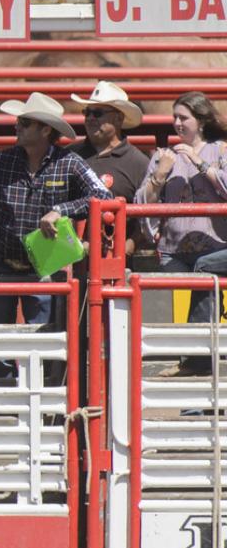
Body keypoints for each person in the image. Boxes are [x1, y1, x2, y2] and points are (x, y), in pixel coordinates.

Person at [0, 93, 111, 378]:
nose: (17, 127)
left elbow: (103, 196)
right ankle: (7, 404)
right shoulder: (2, 162)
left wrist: (62, 209)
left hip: (43, 266)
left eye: (24, 123)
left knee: (40, 339)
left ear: (45, 129)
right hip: (2, 261)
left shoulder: (68, 162)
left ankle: (33, 402)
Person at [137, 92, 227, 367]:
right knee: (202, 280)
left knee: (204, 270)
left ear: (200, 121)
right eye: (174, 117)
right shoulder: (163, 156)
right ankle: (195, 362)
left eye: (183, 117)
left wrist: (198, 162)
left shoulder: (221, 150)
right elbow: (142, 202)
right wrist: (160, 174)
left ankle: (193, 362)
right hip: (172, 250)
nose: (176, 123)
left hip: (215, 247)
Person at [72, 80, 150, 205]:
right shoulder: (70, 154)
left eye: (98, 113)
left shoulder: (138, 164)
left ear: (118, 119)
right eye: (87, 113)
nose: (90, 118)